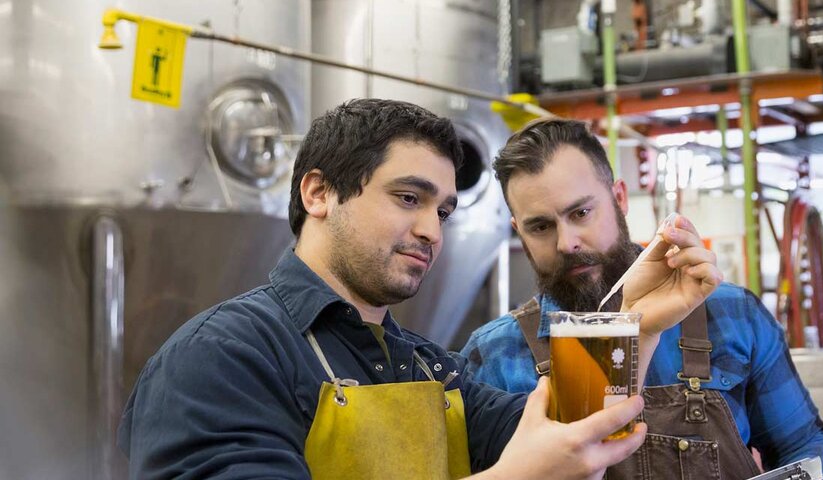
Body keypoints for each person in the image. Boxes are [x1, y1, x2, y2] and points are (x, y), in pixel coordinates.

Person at [118, 99, 721, 479]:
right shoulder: (226, 356)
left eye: (444, 211)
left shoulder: (427, 367)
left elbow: (573, 433)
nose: (432, 230)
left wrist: (632, 321)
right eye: (408, 198)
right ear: (319, 193)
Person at [460, 118, 823, 479]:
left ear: (620, 198)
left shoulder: (731, 314)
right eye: (540, 226)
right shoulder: (495, 355)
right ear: (518, 231)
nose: (567, 242)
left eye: (581, 212)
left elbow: (804, 450)